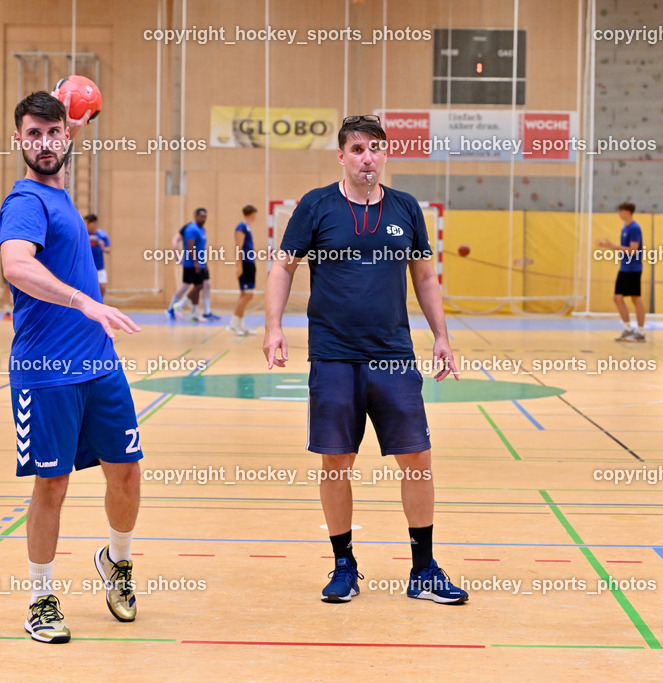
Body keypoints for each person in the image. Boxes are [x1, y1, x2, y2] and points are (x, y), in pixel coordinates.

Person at [263, 114, 468, 606]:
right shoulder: (315, 206)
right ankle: (344, 565)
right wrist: (273, 327)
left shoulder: (405, 208)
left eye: (376, 148)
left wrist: (442, 336)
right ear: (342, 156)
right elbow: (282, 267)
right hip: (333, 355)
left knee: (416, 459)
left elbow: (424, 277)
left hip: (394, 355)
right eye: (358, 149)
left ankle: (423, 568)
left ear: (384, 153)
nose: (368, 157)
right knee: (336, 461)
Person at [0, 90, 143, 644]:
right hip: (45, 370)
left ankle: (117, 561)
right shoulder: (25, 202)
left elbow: (59, 142)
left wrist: (72, 118)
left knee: (126, 471)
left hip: (99, 366)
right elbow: (16, 264)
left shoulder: (58, 181)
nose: (43, 143)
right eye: (31, 134)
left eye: (52, 132)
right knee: (52, 484)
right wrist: (84, 301)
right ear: (18, 140)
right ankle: (41, 597)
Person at [595, 201, 645, 341]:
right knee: (617, 298)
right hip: (624, 268)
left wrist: (613, 246)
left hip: (633, 268)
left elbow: (633, 251)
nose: (619, 213)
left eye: (621, 210)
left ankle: (640, 331)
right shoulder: (625, 227)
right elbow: (623, 248)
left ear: (627, 212)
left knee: (636, 298)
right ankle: (628, 329)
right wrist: (608, 245)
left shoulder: (634, 228)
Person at [166, 208, 216, 322]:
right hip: (192, 264)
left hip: (200, 262)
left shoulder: (202, 229)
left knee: (199, 286)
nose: (204, 219)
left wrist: (203, 262)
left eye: (205, 216)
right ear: (195, 216)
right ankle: (176, 306)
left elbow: (200, 248)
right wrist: (193, 261)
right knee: (191, 286)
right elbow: (189, 246)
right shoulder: (191, 229)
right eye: (201, 216)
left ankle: (194, 313)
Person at [230, 204, 258, 335]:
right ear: (252, 213)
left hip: (250, 263)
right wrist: (239, 265)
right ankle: (233, 324)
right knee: (248, 295)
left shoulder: (248, 227)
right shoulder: (241, 227)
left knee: (244, 294)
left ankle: (240, 324)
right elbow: (238, 247)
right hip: (245, 263)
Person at [85, 214, 110, 299]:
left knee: (102, 287)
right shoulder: (84, 234)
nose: (87, 225)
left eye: (88, 223)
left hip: (99, 266)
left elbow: (108, 249)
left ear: (94, 223)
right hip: (87, 266)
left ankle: (100, 301)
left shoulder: (102, 235)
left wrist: (103, 247)